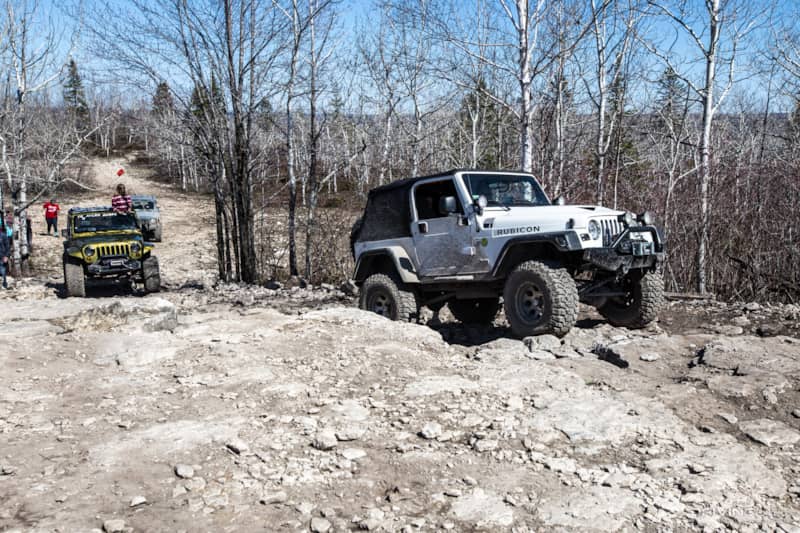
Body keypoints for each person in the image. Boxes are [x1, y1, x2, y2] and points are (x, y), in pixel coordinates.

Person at [0, 219, 9, 289]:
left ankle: (4, 284)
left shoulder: (3, 235)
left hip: (2, 256)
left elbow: (7, 246)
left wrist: (6, 256)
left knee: (3, 271)